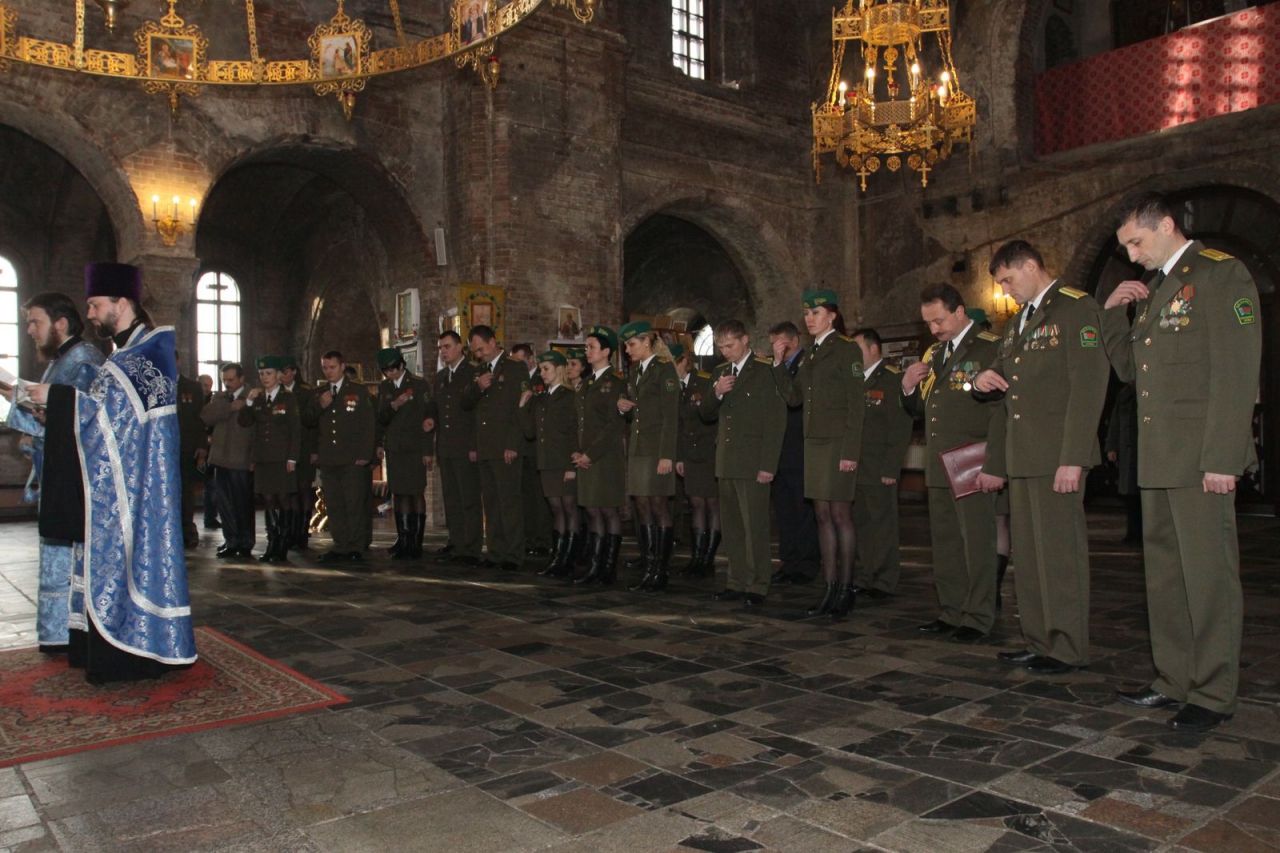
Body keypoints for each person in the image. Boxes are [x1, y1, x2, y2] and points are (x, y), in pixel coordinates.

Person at [1101, 192, 1261, 732]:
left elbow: (1236, 373)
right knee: (1166, 577)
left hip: (1200, 460)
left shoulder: (1219, 275)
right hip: (1160, 458)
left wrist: (1224, 458)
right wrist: (1112, 315)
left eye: (1136, 242)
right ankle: (1173, 679)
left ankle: (1213, 692)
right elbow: (1131, 372)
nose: (1131, 256)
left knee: (1208, 578)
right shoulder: (1153, 293)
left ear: (1167, 225)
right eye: (1124, 247)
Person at [25, 262, 197, 682]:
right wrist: (58, 403)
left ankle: (137, 649)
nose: (90, 313)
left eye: (95, 304)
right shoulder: (125, 354)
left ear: (122, 302)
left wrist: (58, 398)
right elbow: (109, 416)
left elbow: (111, 421)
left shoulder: (146, 356)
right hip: (124, 480)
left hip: (140, 487)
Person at [974, 240, 1110, 676]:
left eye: (1008, 280)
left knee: (1059, 555)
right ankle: (1037, 640)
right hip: (1024, 456)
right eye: (1001, 284)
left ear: (1031, 266)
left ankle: (1066, 646)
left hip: (1057, 457)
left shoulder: (1075, 308)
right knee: (1030, 557)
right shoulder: (1018, 323)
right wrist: (981, 380)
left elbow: (1088, 385)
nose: (1005, 290)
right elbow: (1002, 380)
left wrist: (1074, 457)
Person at [900, 283, 1006, 644]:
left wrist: (995, 463)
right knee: (945, 542)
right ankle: (952, 610)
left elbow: (1001, 411)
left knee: (976, 542)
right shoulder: (935, 353)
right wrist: (907, 388)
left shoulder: (990, 347)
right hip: (939, 461)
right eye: (928, 323)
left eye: (939, 321)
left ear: (960, 311)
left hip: (972, 460)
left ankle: (978, 616)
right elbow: (925, 408)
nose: (934, 329)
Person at [3, 292, 104, 653]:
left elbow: (90, 420)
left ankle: (73, 630)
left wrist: (48, 414)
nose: (30, 330)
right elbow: (52, 416)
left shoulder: (84, 360)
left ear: (60, 323)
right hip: (57, 472)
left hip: (75, 479)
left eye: (36, 322)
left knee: (70, 554)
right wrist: (24, 405)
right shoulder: (60, 360)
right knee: (55, 551)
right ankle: (57, 632)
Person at [772, 291, 865, 619]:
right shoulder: (811, 353)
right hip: (813, 445)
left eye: (816, 312)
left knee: (840, 515)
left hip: (838, 444)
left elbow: (856, 403)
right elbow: (795, 398)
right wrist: (779, 365)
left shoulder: (846, 348)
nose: (809, 318)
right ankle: (829, 587)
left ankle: (846, 589)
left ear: (832, 315)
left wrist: (850, 451)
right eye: (807, 313)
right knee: (822, 516)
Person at [701, 319, 786, 607]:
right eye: (721, 347)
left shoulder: (765, 370)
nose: (726, 352)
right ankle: (735, 581)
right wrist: (716, 392)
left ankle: (758, 583)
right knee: (733, 527)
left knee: (755, 527)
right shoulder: (720, 372)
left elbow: (775, 421)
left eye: (730, 345)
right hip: (726, 461)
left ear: (745, 340)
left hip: (753, 462)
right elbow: (706, 414)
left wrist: (768, 464)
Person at [850, 328, 913, 600]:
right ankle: (867, 576)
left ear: (873, 349)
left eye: (857, 349)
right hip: (856, 467)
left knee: (883, 525)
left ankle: (885, 580)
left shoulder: (891, 379)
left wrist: (891, 467)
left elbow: (899, 428)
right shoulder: (854, 379)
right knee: (862, 524)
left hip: (878, 467)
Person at [617, 321, 680, 592]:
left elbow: (670, 416)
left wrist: (667, 455)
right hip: (639, 448)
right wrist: (624, 408)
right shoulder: (637, 372)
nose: (627, 350)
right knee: (641, 506)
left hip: (656, 450)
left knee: (658, 505)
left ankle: (660, 570)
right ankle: (649, 565)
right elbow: (639, 413)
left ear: (646, 341)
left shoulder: (664, 368)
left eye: (631, 344)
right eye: (626, 346)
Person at [460, 325, 527, 572]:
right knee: (491, 503)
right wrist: (478, 387)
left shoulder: (515, 367)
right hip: (485, 446)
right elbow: (466, 404)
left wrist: (513, 444)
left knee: (509, 502)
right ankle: (496, 551)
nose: (478, 355)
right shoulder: (479, 371)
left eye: (481, 349)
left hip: (505, 446)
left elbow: (520, 409)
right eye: (475, 352)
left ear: (492, 342)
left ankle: (513, 553)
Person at [304, 350, 377, 562]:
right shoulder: (319, 393)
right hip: (329, 457)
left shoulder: (358, 390)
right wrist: (320, 406)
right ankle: (340, 544)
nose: (329, 372)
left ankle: (355, 545)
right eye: (325, 368)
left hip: (352, 458)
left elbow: (368, 425)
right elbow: (307, 421)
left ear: (342, 367)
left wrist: (366, 454)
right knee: (334, 504)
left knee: (353, 503)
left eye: (333, 367)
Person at [766, 321, 821, 586]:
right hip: (778, 449)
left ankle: (807, 564)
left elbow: (795, 400)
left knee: (803, 511)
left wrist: (778, 366)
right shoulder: (776, 366)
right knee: (784, 511)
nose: (776, 349)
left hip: (800, 448)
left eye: (780, 343)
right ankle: (788, 562)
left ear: (794, 341)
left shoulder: (806, 364)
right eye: (772, 344)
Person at [573, 326, 628, 585]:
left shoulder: (615, 383)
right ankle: (595, 565)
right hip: (585, 456)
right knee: (592, 510)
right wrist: (577, 450)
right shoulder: (586, 383)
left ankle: (608, 567)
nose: (587, 351)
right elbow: (580, 422)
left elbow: (613, 425)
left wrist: (591, 454)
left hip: (605, 457)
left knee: (607, 510)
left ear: (606, 352)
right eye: (586, 347)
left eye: (592, 347)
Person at [520, 351, 580, 577]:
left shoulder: (569, 396)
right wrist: (522, 406)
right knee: (556, 510)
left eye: (546, 369)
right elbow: (530, 432)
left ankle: (569, 558)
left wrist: (571, 465)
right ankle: (558, 556)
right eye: (541, 369)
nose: (542, 373)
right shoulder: (542, 398)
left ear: (559, 369)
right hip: (547, 461)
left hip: (564, 461)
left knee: (569, 508)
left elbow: (574, 432)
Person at [240, 356, 301, 563]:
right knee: (267, 500)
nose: (265, 377)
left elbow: (295, 430)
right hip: (263, 458)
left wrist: (292, 457)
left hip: (282, 458)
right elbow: (244, 421)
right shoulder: (258, 399)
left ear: (279, 375)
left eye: (269, 373)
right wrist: (248, 402)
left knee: (283, 499)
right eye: (261, 374)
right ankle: (272, 542)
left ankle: (282, 544)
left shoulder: (288, 398)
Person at [376, 347, 434, 560]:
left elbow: (428, 419)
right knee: (399, 493)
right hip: (395, 448)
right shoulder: (385, 387)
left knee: (415, 492)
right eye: (385, 371)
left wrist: (427, 450)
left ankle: (416, 542)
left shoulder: (418, 384)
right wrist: (394, 405)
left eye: (392, 369)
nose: (389, 374)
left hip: (414, 448)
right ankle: (403, 538)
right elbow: (381, 418)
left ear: (401, 365)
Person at [430, 330, 482, 567]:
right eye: (441, 348)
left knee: (468, 498)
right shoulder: (441, 377)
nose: (443, 351)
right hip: (446, 446)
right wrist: (430, 419)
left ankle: (471, 548)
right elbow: (437, 409)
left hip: (465, 446)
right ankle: (457, 544)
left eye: (447, 346)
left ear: (460, 347)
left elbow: (477, 414)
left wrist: (474, 445)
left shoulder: (473, 373)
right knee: (451, 499)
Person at [672, 343, 721, 576]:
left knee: (712, 504)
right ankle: (697, 557)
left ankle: (708, 559)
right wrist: (680, 457)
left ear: (684, 361)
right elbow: (678, 426)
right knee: (696, 504)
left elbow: (717, 414)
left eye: (673, 364)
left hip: (709, 451)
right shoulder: (675, 387)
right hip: (689, 453)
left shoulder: (704, 381)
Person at [201, 363, 255, 559]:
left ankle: (245, 543)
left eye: (231, 380)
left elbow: (257, 430)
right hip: (220, 458)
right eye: (224, 380)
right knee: (224, 504)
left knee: (242, 504)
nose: (227, 383)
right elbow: (206, 416)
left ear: (241, 378)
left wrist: (253, 457)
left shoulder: (252, 396)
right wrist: (230, 407)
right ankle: (231, 541)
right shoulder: (220, 397)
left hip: (241, 459)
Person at [512, 342, 552, 557]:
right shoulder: (518, 380)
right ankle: (529, 537)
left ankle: (543, 539)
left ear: (531, 358)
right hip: (521, 446)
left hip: (538, 445)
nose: (518, 365)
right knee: (525, 495)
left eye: (521, 361)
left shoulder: (540, 380)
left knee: (540, 496)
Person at [281, 356, 317, 550]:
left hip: (304, 447)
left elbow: (313, 422)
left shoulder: (305, 392)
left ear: (294, 372)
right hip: (284, 448)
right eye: (280, 372)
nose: (282, 376)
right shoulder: (276, 392)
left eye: (286, 372)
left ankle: (302, 532)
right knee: (289, 490)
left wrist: (315, 450)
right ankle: (289, 531)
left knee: (303, 489)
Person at [174, 356, 207, 549]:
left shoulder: (192, 387)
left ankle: (187, 531)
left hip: (186, 448)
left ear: (178, 361)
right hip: (164, 449)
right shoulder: (157, 385)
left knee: (186, 491)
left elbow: (200, 417)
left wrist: (201, 444)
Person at [1105, 383, 1142, 545]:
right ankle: (1132, 533)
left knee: (1141, 495)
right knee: (1130, 495)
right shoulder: (1124, 394)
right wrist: (1112, 446)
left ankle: (1141, 534)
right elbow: (1116, 421)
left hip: (1142, 450)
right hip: (1127, 451)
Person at [198, 373, 220, 531]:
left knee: (211, 485)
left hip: (210, 450)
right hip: (196, 448)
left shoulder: (213, 403)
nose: (207, 389)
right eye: (204, 385)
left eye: (209, 386)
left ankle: (210, 517)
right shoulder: (194, 401)